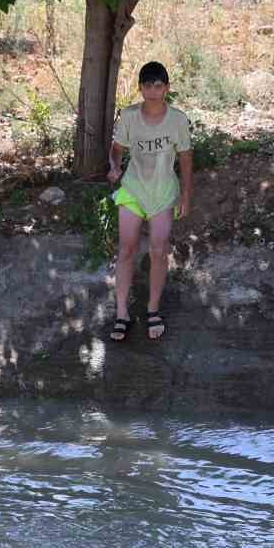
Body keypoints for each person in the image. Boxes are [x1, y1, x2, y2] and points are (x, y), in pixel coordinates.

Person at [108, 61, 193, 343]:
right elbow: (117, 149)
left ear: (167, 88)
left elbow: (185, 157)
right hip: (133, 188)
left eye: (159, 86)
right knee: (127, 249)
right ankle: (121, 312)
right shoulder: (130, 117)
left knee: (158, 250)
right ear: (141, 89)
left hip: (163, 191)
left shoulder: (178, 120)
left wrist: (186, 194)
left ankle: (152, 309)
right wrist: (115, 166)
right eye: (148, 86)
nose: (154, 92)